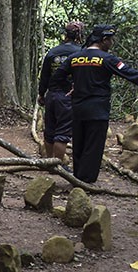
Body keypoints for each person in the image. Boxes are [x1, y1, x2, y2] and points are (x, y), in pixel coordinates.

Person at [50, 24, 138, 183]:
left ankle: (77, 179)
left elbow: (56, 78)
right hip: (98, 110)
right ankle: (86, 182)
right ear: (104, 40)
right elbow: (131, 75)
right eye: (110, 40)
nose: (111, 44)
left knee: (79, 144)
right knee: (93, 146)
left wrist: (70, 88)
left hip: (78, 109)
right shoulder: (107, 59)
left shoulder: (75, 58)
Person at [37, 21, 84, 169]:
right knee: (62, 133)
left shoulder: (52, 52)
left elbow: (44, 76)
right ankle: (57, 166)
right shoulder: (81, 52)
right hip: (68, 96)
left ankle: (49, 162)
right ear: (79, 35)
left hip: (51, 95)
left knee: (50, 131)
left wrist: (41, 94)